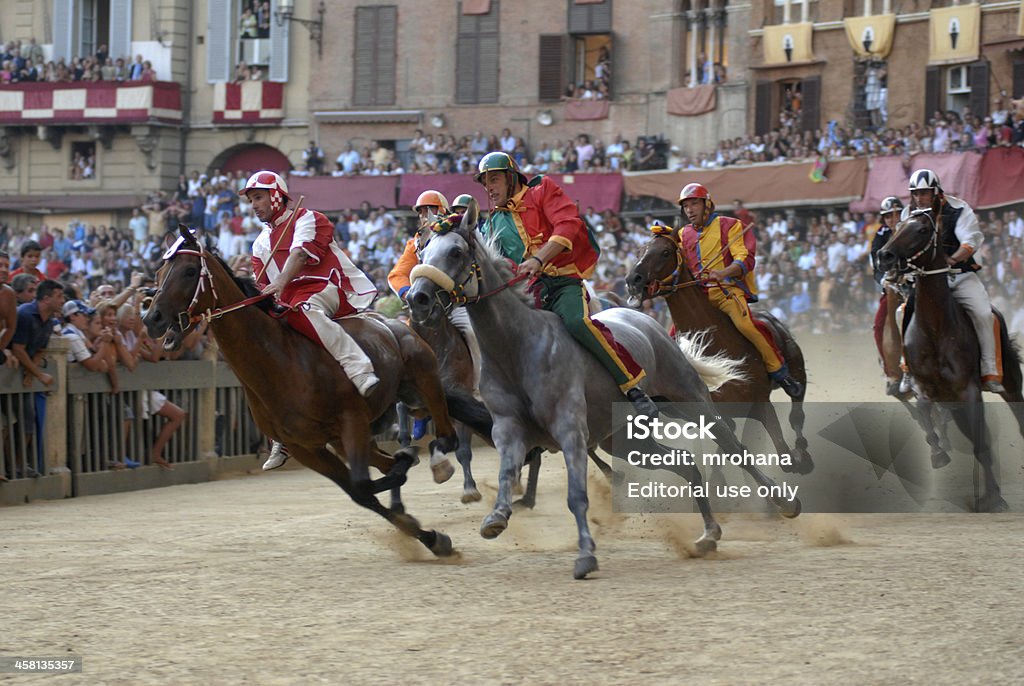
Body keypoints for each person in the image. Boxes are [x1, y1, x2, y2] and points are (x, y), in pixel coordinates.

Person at [474, 151, 658, 416]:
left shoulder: (542, 190)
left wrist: (538, 259)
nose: (489, 188)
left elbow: (567, 225)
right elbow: (502, 266)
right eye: (484, 182)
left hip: (563, 282)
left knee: (576, 322)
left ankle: (632, 387)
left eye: (494, 179)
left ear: (511, 177)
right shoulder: (491, 224)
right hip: (529, 292)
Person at [242, 171, 379, 470]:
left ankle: (359, 368)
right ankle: (281, 433)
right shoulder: (260, 243)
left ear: (277, 195)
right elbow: (261, 283)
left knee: (303, 308)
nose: (254, 205)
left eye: (258, 197)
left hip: (324, 286)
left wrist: (278, 285)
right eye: (251, 200)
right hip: (288, 299)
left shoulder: (308, 218)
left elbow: (300, 258)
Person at [676, 182, 803, 398]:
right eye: (686, 205)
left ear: (707, 204)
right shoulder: (682, 234)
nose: (689, 209)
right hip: (698, 299)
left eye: (694, 203)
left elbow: (744, 259)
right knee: (674, 338)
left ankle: (780, 372)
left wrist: (723, 273)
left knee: (747, 325)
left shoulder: (730, 225)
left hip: (726, 292)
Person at [387, 190, 483, 440]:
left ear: (443, 211)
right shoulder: (415, 243)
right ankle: (412, 404)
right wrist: (409, 293)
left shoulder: (456, 236)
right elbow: (397, 275)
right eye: (420, 212)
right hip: (426, 307)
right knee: (404, 345)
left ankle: (478, 387)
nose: (423, 216)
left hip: (456, 305)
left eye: (428, 210)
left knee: (472, 333)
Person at [900, 168, 1004, 393]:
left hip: (961, 276)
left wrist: (953, 259)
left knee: (984, 314)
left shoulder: (959, 209)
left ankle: (989, 371)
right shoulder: (908, 213)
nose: (920, 198)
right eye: (916, 193)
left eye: (925, 193)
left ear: (936, 192)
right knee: (902, 312)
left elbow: (972, 240)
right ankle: (907, 370)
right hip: (926, 281)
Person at [870, 196, 905, 396]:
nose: (893, 219)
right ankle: (891, 372)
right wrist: (884, 280)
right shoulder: (881, 235)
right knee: (878, 326)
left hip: (914, 282)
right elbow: (875, 264)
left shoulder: (912, 227)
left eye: (896, 213)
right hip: (891, 288)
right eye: (888, 216)